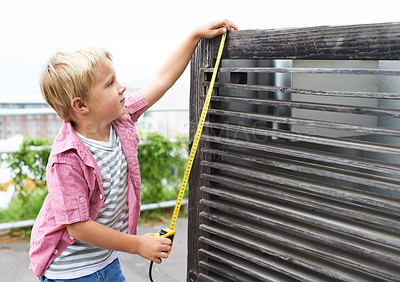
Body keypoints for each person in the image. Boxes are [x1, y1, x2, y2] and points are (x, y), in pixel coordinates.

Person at [28, 19, 238, 281]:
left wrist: (194, 36)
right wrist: (138, 245)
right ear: (81, 105)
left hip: (106, 261)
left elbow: (161, 80)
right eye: (109, 83)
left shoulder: (120, 118)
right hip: (70, 271)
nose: (122, 87)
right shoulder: (66, 159)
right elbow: (79, 227)